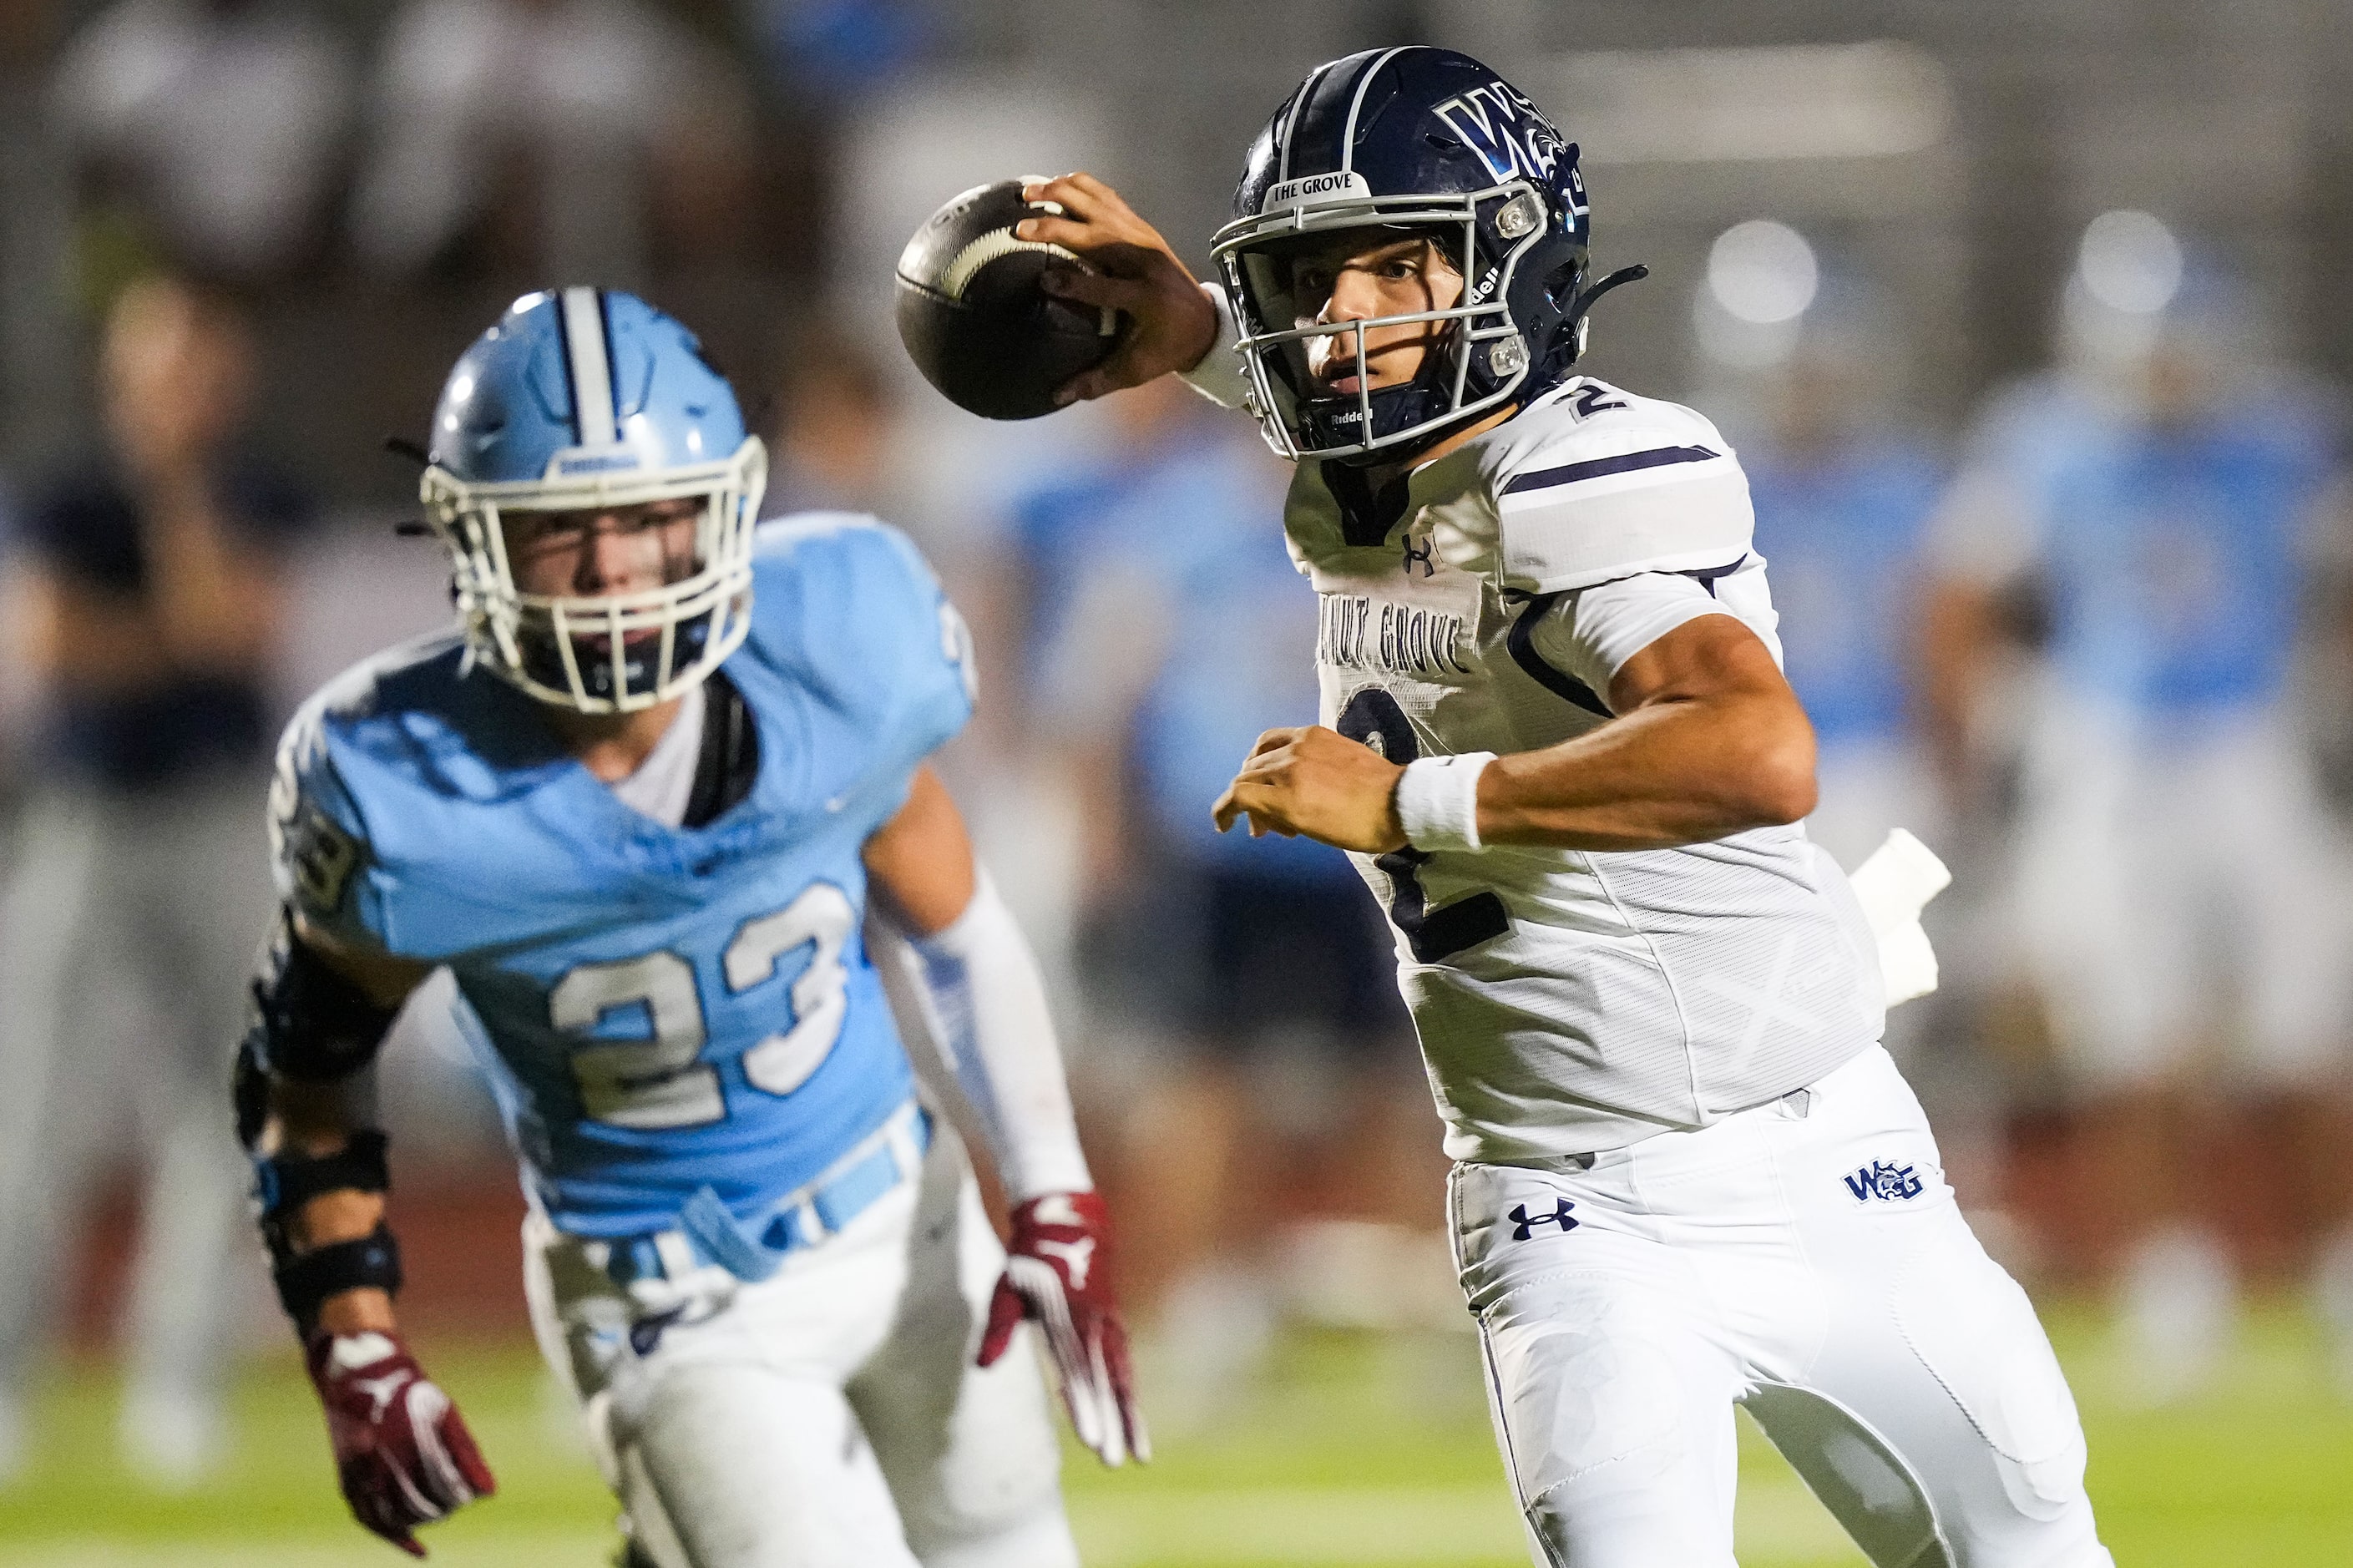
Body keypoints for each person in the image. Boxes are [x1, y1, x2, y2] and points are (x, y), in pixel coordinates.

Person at [1004, 46, 2113, 1568]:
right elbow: (1374, 436)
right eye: (1314, 278)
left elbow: (1753, 753)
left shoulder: (1594, 467)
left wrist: (1412, 798)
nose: (1347, 322)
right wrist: (1191, 326)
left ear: (1513, 261)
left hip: (1815, 1155)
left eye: (1399, 269)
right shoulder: (1349, 470)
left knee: (2024, 1544)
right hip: (1557, 1197)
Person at [238, 288, 1141, 1565]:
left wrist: (1049, 1188)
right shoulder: (405, 788)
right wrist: (355, 1339)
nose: (614, 572)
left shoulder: (837, 647)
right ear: (474, 541)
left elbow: (954, 927)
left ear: (725, 509)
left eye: (652, 518)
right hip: (669, 1295)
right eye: (562, 532)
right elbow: (309, 1083)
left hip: (908, 1215)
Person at [1923, 220, 2353, 1399]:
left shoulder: (2283, 439)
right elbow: (1961, 600)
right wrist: (1990, 742)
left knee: (2307, 1034)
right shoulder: (2042, 441)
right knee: (2132, 1041)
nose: (2168, 371)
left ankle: (2336, 1276)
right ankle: (2173, 1281)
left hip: (2250, 741)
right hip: (2107, 750)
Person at [1009, 374, 1430, 1415]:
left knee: (1397, 1086)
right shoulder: (1171, 526)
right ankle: (1202, 1306)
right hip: (1221, 847)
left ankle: (1441, 1308)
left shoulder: (1394, 524)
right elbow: (1100, 693)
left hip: (1360, 847)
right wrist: (1104, 840)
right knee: (1205, 1091)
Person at [0, 276, 301, 1485]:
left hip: (217, 816)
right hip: (87, 822)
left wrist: (176, 507)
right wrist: (161, 637)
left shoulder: (249, 488)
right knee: (38, 1112)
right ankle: (11, 1379)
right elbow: (51, 643)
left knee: (224, 1112)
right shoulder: (65, 488)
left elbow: (230, 627)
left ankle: (177, 1381)